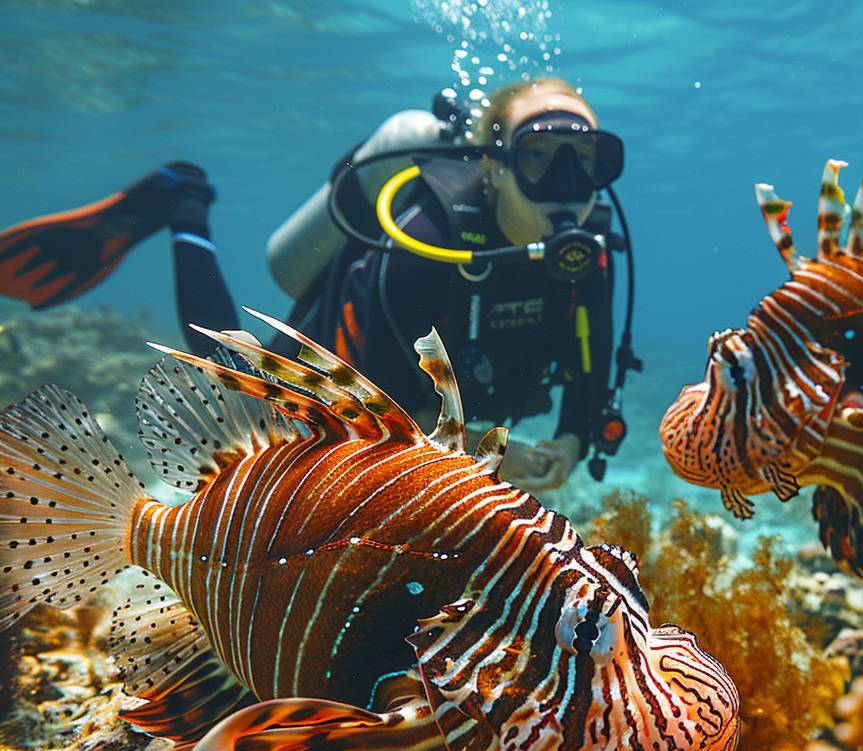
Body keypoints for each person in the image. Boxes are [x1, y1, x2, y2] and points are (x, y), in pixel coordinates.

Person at [0, 77, 638, 492]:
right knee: (225, 397)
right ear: (494, 167)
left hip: (436, 430)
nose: (564, 185)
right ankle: (183, 205)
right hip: (337, 381)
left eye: (584, 163)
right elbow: (386, 389)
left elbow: (592, 373)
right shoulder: (430, 237)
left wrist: (573, 440)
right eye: (536, 155)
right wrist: (487, 450)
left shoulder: (591, 259)